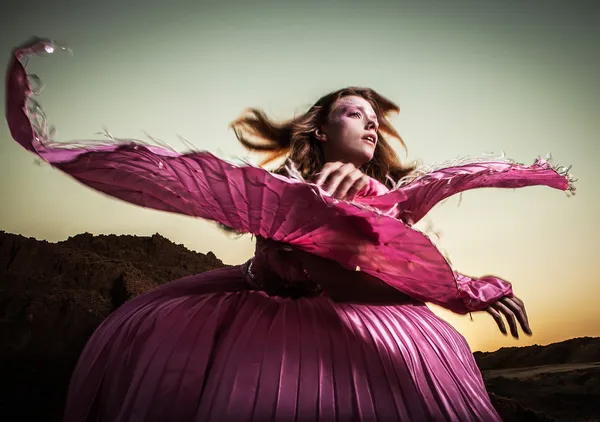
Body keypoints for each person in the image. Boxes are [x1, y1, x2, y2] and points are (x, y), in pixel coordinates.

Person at [6, 39, 575, 422]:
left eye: (374, 118)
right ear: (321, 132)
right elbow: (342, 280)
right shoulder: (289, 193)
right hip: (290, 344)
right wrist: (461, 293)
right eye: (353, 113)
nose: (370, 122)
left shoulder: (382, 194)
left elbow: (380, 260)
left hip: (377, 330)